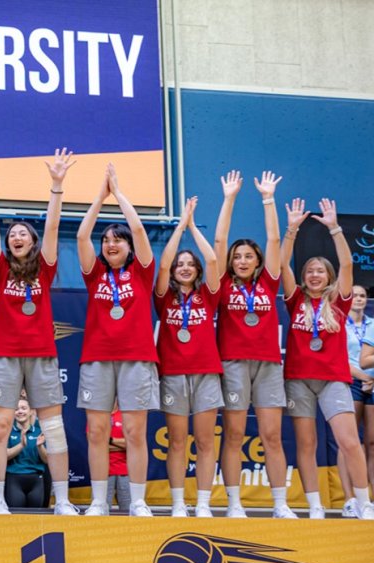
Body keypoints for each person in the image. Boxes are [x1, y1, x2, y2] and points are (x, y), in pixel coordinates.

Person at [0, 149, 78, 515]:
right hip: (4, 355)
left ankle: (64, 500)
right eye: (12, 234)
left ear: (33, 243)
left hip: (41, 355)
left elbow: (52, 226)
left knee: (53, 428)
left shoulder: (46, 270)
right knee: (1, 425)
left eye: (23, 233)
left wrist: (56, 185)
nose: (15, 237)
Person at [280, 198, 373, 519]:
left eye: (320, 270)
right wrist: (291, 230)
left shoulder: (339, 301)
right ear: (303, 276)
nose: (315, 274)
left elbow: (348, 266)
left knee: (349, 441)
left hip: (334, 380)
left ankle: (364, 503)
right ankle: (315, 506)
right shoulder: (294, 300)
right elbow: (281, 266)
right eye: (309, 271)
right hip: (298, 380)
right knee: (306, 445)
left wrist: (334, 228)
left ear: (328, 275)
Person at [76, 164, 158, 517]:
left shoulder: (142, 272)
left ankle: (138, 500)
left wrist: (119, 194)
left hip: (137, 357)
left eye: (117, 239)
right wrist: (99, 197)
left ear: (129, 247)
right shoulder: (95, 274)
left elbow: (138, 228)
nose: (111, 244)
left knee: (136, 431)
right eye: (106, 240)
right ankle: (98, 501)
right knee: (97, 430)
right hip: (96, 357)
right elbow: (81, 237)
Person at [213, 170, 289, 517]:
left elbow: (274, 241)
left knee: (272, 436)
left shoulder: (269, 284)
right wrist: (229, 199)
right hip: (233, 364)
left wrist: (267, 199)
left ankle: (280, 504)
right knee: (234, 433)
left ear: (258, 261)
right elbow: (218, 242)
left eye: (247, 256)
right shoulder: (223, 285)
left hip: (269, 365)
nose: (241, 260)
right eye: (237, 256)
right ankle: (233, 503)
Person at [154, 196, 223, 517]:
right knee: (178, 442)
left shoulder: (207, 296)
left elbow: (213, 262)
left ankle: (204, 502)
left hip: (206, 373)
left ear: (195, 271)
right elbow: (164, 264)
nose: (183, 267)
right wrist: (179, 226)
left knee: (206, 441)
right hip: (172, 374)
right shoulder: (164, 296)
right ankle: (179, 502)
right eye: (181, 264)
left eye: (188, 264)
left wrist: (194, 228)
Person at [342, 284, 374, 517]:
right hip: (348, 380)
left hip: (373, 383)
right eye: (355, 295)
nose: (359, 299)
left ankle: (368, 498)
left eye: (363, 296)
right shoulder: (339, 323)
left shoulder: (372, 324)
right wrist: (362, 375)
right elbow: (336, 357)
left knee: (371, 443)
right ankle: (349, 498)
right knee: (348, 441)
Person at [4, 398, 46, 509]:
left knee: (36, 518)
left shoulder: (39, 432)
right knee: (16, 518)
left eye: (23, 408)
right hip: (14, 478)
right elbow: (4, 456)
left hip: (36, 479)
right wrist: (21, 446)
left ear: (31, 411)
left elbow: (47, 460)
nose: (20, 411)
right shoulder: (7, 432)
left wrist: (40, 446)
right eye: (16, 409)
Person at [107, 407, 129, 509]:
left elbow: (132, 444)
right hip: (103, 473)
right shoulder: (98, 415)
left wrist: (110, 440)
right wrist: (121, 443)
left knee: (128, 513)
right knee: (101, 511)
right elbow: (96, 444)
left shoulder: (126, 415)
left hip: (126, 471)